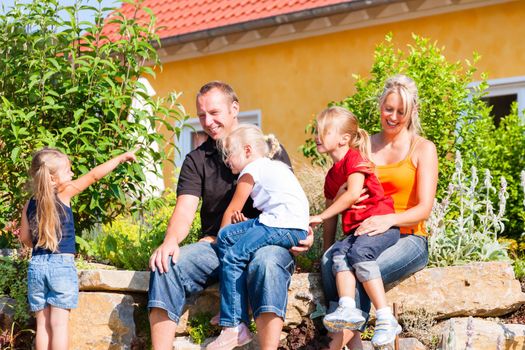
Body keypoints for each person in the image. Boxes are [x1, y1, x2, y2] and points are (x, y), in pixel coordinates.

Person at [147, 81, 313, 350]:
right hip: (215, 246)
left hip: (269, 243)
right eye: (201, 115)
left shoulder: (267, 150)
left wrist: (306, 231)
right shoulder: (196, 160)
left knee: (267, 263)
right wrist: (170, 241)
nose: (208, 121)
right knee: (167, 264)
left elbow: (291, 199)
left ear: (235, 108)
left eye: (214, 113)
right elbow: (184, 210)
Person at [320, 75, 438, 350]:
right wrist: (325, 248)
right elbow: (335, 195)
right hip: (363, 234)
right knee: (330, 261)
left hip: (408, 236)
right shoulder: (363, 148)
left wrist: (388, 219)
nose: (393, 117)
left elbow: (424, 209)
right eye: (388, 109)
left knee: (361, 270)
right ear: (380, 106)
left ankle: (334, 345)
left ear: (412, 112)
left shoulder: (423, 149)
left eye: (400, 111)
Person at [19, 147, 137, 350]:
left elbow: (24, 238)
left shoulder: (30, 202)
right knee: (59, 324)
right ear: (54, 179)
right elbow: (93, 175)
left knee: (43, 325)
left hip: (37, 266)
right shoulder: (65, 192)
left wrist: (40, 244)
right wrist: (120, 158)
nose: (72, 174)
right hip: (61, 267)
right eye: (68, 171)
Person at [206, 124, 309, 350]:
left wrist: (222, 237)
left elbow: (233, 210)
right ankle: (237, 305)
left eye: (229, 153)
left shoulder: (250, 170)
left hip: (279, 224)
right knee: (230, 237)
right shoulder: (275, 166)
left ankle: (234, 326)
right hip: (291, 226)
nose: (226, 160)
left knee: (232, 254)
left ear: (248, 150)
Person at [309, 107, 401, 347]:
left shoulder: (356, 159)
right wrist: (326, 248)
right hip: (357, 231)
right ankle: (347, 307)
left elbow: (351, 195)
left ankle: (384, 316)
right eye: (317, 132)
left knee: (359, 254)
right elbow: (332, 218)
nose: (317, 136)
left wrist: (319, 215)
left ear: (344, 139)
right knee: (338, 254)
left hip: (379, 225)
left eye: (324, 132)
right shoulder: (331, 176)